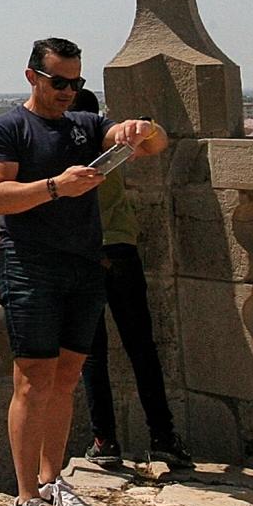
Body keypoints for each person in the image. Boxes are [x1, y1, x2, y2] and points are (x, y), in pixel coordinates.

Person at [0, 38, 168, 506]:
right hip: (31, 267)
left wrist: (141, 129)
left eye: (75, 82)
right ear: (32, 77)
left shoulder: (86, 126)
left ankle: (52, 481)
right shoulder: (8, 129)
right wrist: (56, 187)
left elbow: (155, 145)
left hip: (83, 267)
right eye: (57, 81)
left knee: (65, 380)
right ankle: (25, 499)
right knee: (31, 381)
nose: (67, 91)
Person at [69, 85, 187, 471]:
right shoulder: (107, 153)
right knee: (141, 347)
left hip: (82, 253)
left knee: (92, 355)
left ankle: (105, 441)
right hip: (119, 248)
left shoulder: (62, 154)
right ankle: (163, 437)